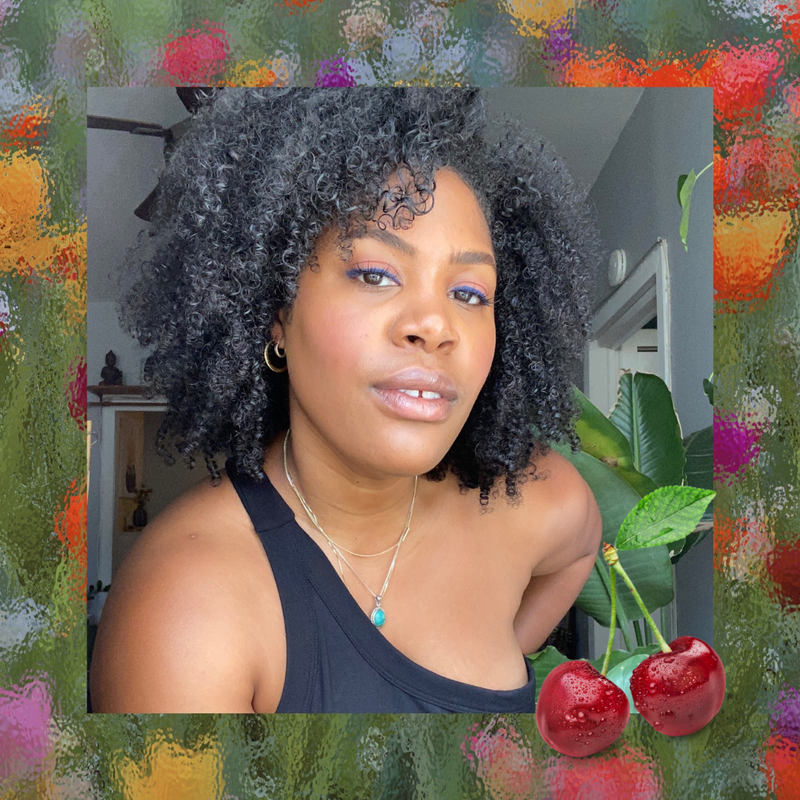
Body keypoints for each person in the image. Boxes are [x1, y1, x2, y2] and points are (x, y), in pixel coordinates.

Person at [90, 88, 603, 713]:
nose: (435, 325)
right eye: (375, 274)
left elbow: (579, 544)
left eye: (470, 293)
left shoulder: (536, 496)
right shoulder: (186, 607)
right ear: (276, 312)